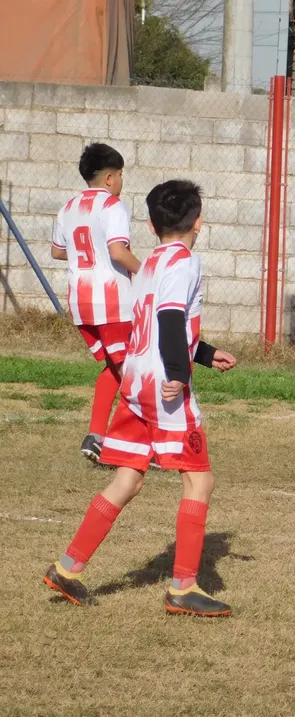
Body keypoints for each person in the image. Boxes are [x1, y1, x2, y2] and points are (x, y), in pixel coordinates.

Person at [43, 180, 239, 617]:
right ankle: (183, 586)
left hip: (133, 379)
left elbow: (154, 322)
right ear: (199, 222)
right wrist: (179, 373)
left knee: (128, 477)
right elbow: (170, 317)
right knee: (199, 479)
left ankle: (68, 567)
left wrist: (204, 353)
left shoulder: (149, 263)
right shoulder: (185, 261)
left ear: (150, 224)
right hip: (161, 387)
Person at [52, 143, 141, 464]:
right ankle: (143, 443)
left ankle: (96, 436)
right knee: (134, 370)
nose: (121, 181)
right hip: (112, 302)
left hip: (80, 302)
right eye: (119, 175)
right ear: (108, 178)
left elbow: (58, 251)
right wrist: (148, 275)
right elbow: (118, 252)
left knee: (115, 367)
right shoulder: (113, 206)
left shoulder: (68, 207)